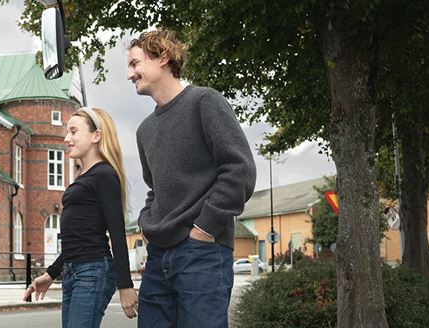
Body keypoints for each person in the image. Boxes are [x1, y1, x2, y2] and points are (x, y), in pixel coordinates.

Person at [126, 29, 256, 328]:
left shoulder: (204, 102)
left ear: (163, 58)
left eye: (135, 64)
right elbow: (153, 189)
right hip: (158, 257)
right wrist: (147, 223)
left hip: (202, 253)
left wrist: (204, 230)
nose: (130, 75)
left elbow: (239, 171)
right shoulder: (144, 130)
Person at [24, 107, 138, 327]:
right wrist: (50, 274)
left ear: (96, 135)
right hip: (74, 271)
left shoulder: (104, 174)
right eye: (67, 132)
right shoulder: (82, 177)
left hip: (92, 271)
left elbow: (117, 231)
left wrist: (125, 285)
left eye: (74, 132)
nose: (67, 138)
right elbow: (77, 238)